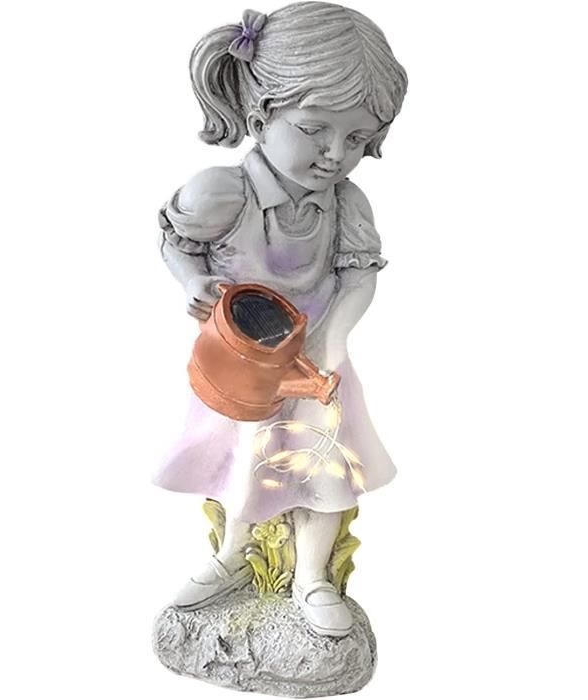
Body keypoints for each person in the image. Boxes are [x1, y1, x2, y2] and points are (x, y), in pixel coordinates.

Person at [155, 2, 407, 637]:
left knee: (325, 469)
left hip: (318, 362)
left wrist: (331, 339)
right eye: (316, 129)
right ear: (260, 115)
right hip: (243, 365)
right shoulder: (220, 193)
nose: (335, 154)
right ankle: (231, 558)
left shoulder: (347, 204)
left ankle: (312, 577)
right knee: (244, 460)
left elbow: (359, 275)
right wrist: (191, 281)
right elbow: (176, 241)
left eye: (357, 139)